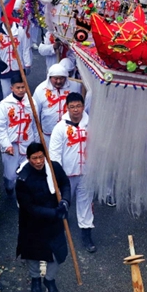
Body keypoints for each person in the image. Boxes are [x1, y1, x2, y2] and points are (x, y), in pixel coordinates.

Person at [16, 142, 71, 292]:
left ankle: (49, 280)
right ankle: (35, 279)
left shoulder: (54, 168)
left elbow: (65, 184)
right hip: (32, 223)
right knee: (33, 254)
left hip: (54, 222)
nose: (39, 162)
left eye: (41, 157)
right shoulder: (22, 178)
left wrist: (65, 202)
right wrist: (54, 213)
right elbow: (29, 207)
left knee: (55, 254)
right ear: (28, 158)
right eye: (35, 158)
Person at [48, 92, 96, 253]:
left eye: (78, 106)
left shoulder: (91, 125)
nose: (76, 110)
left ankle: (86, 234)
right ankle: (58, 230)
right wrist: (58, 174)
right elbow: (54, 153)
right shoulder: (60, 128)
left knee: (86, 203)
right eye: (72, 107)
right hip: (67, 175)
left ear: (83, 106)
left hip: (86, 173)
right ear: (67, 108)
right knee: (62, 202)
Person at [0, 73, 37, 196]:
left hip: (27, 143)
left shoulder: (32, 103)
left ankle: (24, 197)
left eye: (23, 87)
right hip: (11, 146)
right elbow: (0, 128)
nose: (21, 90)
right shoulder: (4, 105)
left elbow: (35, 125)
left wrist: (36, 143)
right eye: (18, 87)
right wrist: (6, 145)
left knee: (27, 173)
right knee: (11, 174)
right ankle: (8, 186)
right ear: (11, 88)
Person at [33, 63, 74, 147]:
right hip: (48, 133)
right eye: (55, 79)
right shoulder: (40, 90)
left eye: (61, 78)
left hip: (69, 132)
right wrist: (38, 135)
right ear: (50, 77)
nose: (58, 81)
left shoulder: (75, 86)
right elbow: (35, 114)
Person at [0, 18, 32, 97]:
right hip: (3, 66)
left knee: (20, 91)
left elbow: (25, 48)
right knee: (6, 92)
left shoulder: (20, 30)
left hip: (17, 66)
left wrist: (27, 64)